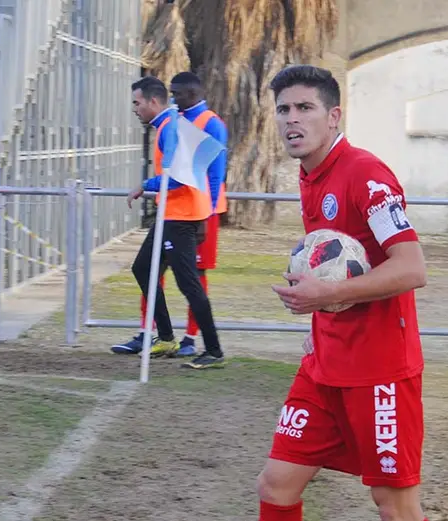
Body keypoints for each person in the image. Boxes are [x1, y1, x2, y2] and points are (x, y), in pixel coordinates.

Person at [259, 65, 430, 521]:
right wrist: (319, 316)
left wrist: (326, 292)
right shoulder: (310, 174)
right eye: (283, 110)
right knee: (277, 484)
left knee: (394, 505)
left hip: (379, 371)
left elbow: (412, 268)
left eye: (304, 108)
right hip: (324, 365)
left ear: (334, 116)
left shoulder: (366, 174)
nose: (291, 120)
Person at [114, 75, 226, 370]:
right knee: (143, 269)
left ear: (153, 102)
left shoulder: (170, 128)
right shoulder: (170, 125)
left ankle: (213, 350)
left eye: (137, 103)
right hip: (171, 215)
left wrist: (144, 185)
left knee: (189, 284)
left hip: (182, 217)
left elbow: (181, 176)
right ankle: (165, 336)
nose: (135, 109)